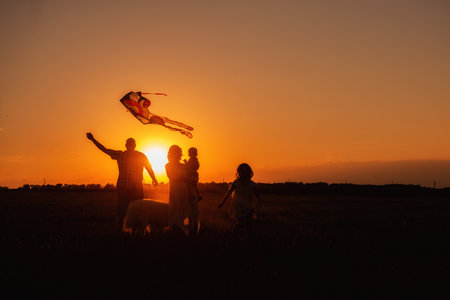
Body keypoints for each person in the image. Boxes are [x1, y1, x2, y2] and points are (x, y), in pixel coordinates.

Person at [86, 132, 157, 231]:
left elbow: (104, 150)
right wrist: (154, 179)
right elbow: (149, 168)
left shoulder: (121, 154)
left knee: (124, 210)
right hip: (133, 188)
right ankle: (132, 231)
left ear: (127, 145)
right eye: (131, 144)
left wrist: (93, 140)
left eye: (130, 144)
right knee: (134, 210)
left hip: (127, 188)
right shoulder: (137, 155)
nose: (130, 146)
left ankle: (122, 231)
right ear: (134, 145)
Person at [218, 163, 261, 239]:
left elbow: (258, 197)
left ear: (249, 172)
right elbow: (228, 193)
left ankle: (249, 239)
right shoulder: (236, 183)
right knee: (240, 223)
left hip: (248, 207)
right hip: (238, 208)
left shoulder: (252, 185)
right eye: (242, 170)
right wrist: (222, 203)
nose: (244, 171)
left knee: (249, 225)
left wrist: (257, 205)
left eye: (245, 170)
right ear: (239, 172)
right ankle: (236, 236)